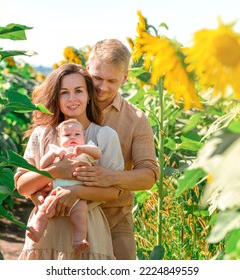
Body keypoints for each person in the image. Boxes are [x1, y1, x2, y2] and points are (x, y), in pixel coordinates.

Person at [35, 39, 160, 260]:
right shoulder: (66, 111)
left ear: (125, 77)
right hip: (61, 216)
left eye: (112, 80)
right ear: (86, 69)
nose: (103, 87)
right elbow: (34, 167)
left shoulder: (136, 119)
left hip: (114, 217)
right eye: (97, 78)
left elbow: (149, 175)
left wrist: (110, 177)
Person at [15, 63, 124, 260]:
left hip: (88, 230)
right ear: (56, 97)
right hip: (45, 234)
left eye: (79, 91)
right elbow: (22, 187)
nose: (72, 99)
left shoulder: (105, 136)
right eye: (64, 92)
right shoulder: (42, 134)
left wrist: (76, 192)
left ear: (89, 95)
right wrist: (56, 170)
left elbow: (114, 192)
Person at [26, 119, 102, 255]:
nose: (73, 137)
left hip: (78, 197)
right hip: (55, 193)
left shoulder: (86, 152)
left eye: (77, 134)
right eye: (67, 135)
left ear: (84, 137)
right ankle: (37, 231)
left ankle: (79, 241)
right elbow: (42, 166)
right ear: (59, 139)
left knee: (80, 217)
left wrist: (83, 148)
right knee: (44, 210)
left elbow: (98, 153)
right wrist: (53, 155)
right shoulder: (57, 151)